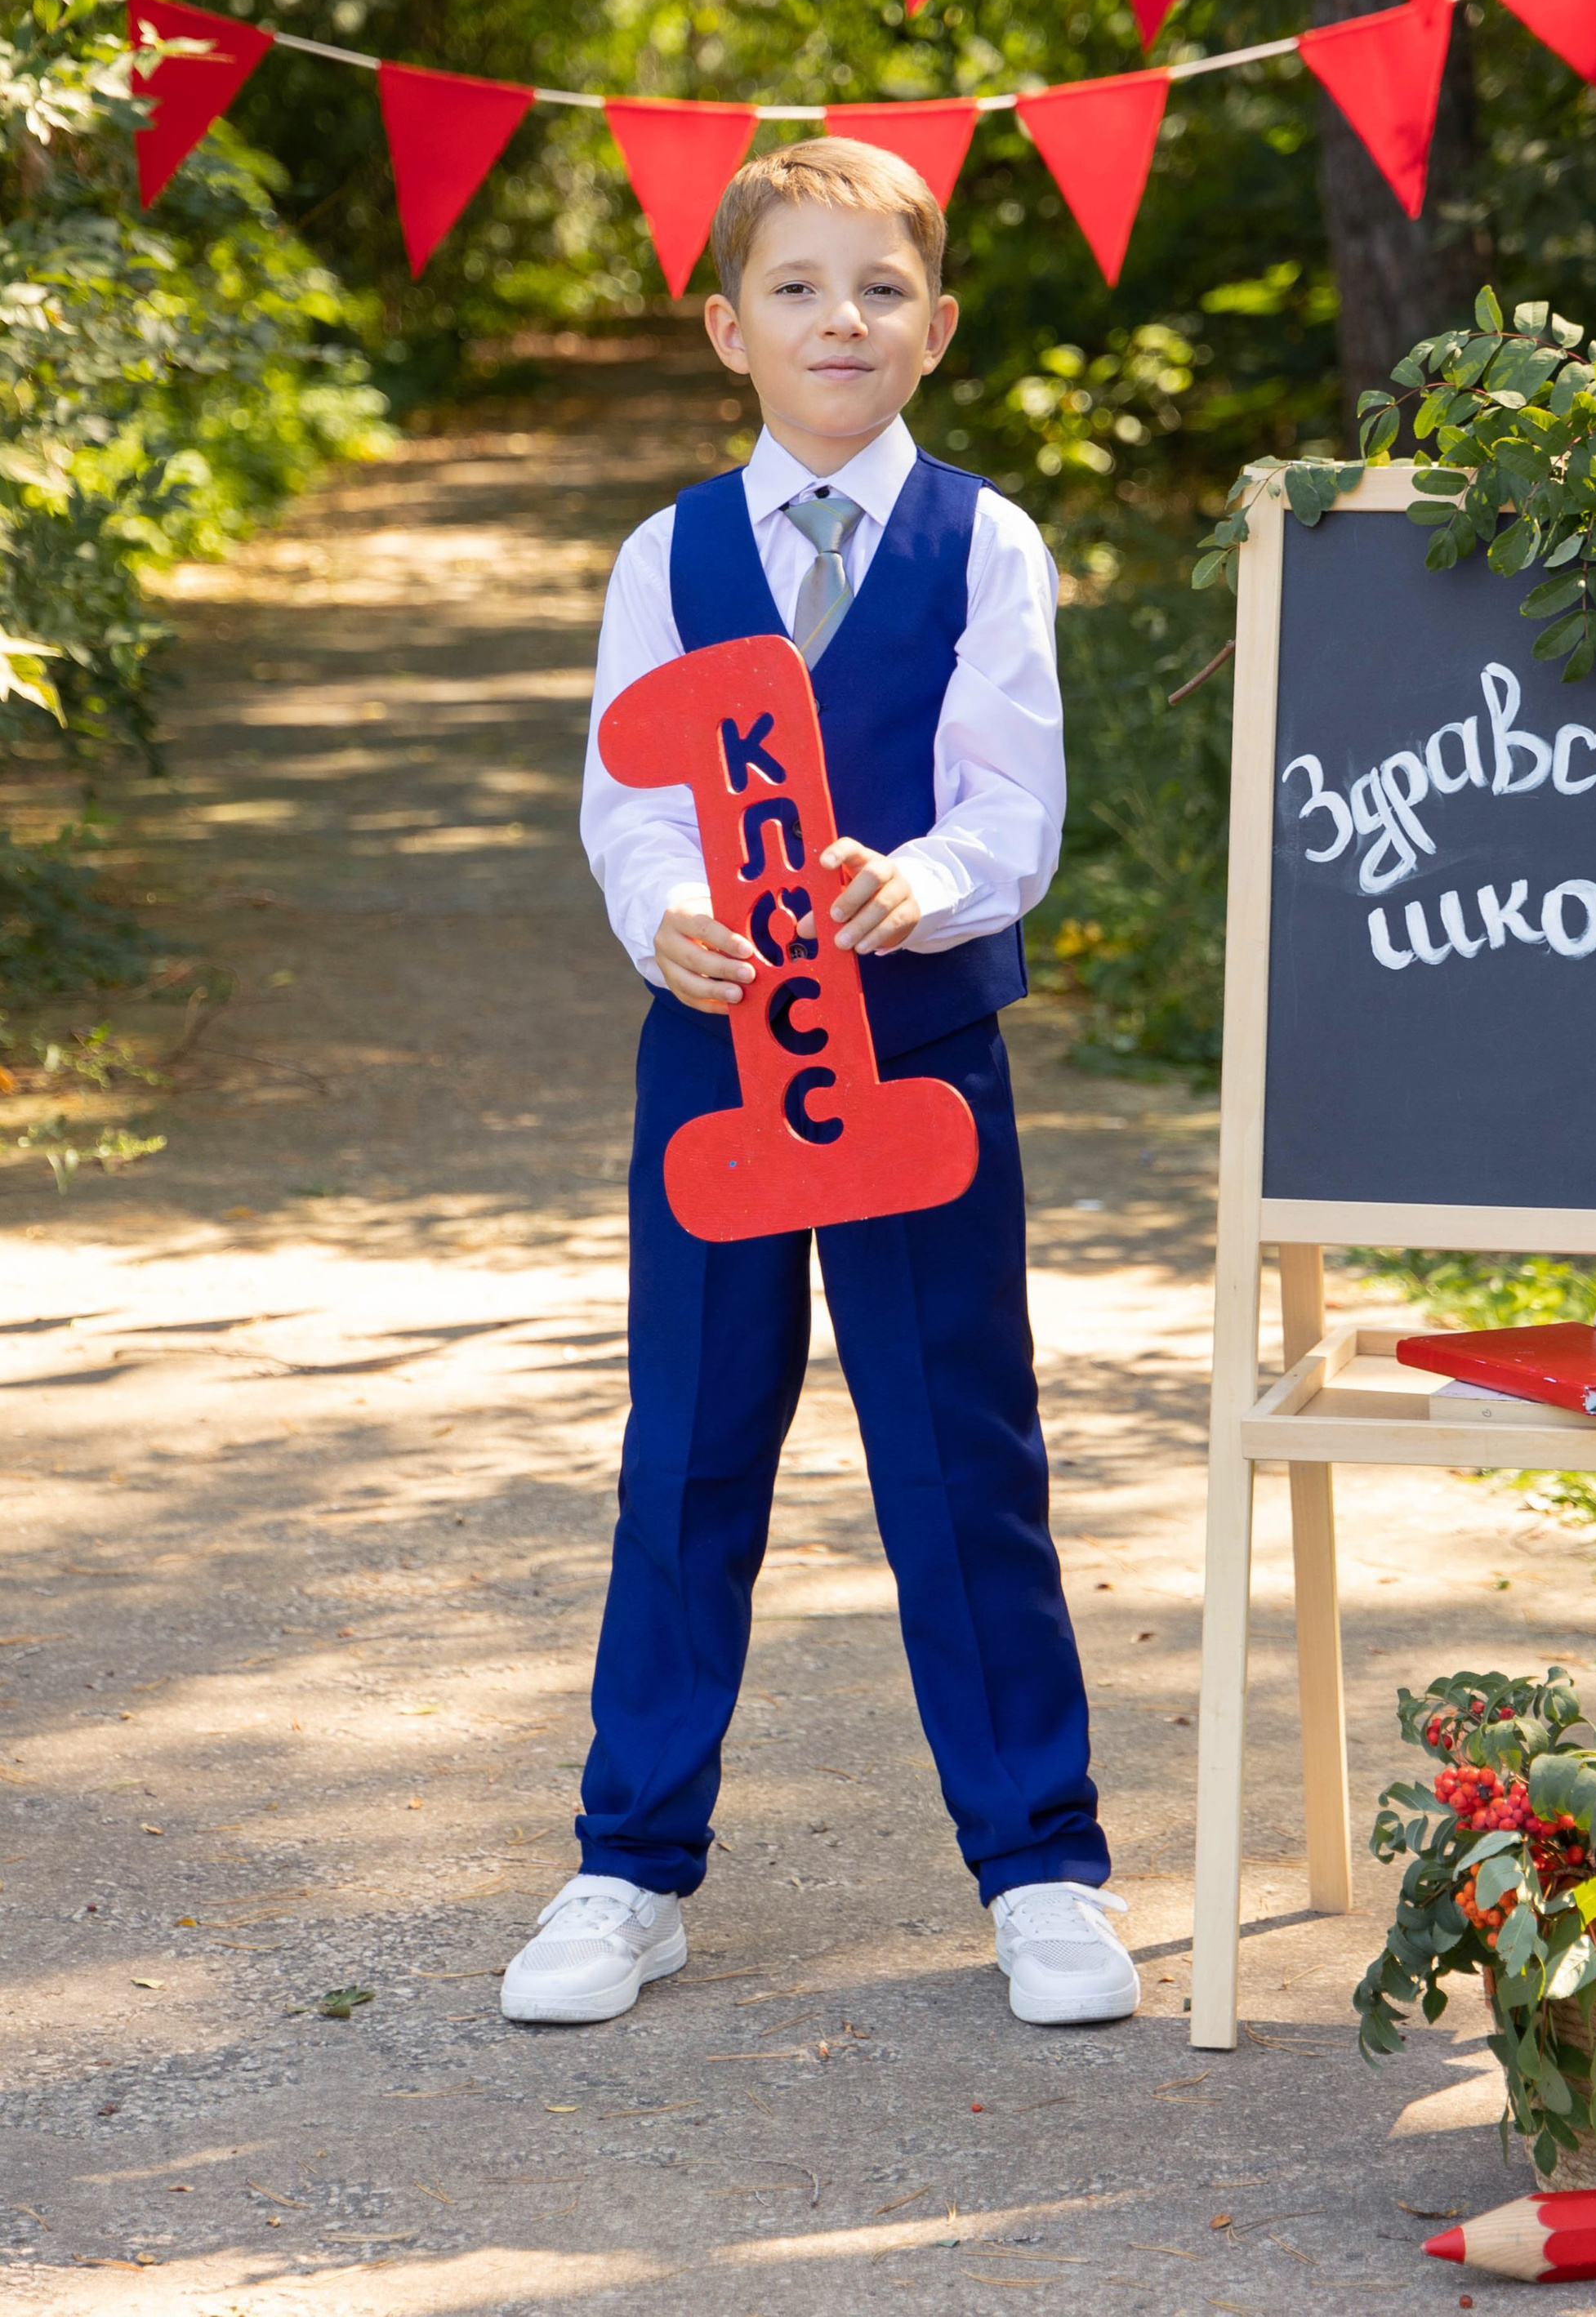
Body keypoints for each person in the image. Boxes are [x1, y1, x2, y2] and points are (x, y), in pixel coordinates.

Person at [501, 136, 1138, 2034]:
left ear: (935, 327)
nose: (837, 320)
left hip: (915, 1057)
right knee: (691, 1448)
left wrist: (920, 883)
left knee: (960, 1455)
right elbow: (630, 799)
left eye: (878, 289)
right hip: (718, 1069)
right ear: (727, 330)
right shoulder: (668, 555)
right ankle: (630, 1866)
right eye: (794, 288)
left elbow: (1009, 802)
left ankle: (1039, 1867)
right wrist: (665, 915)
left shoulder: (984, 543)